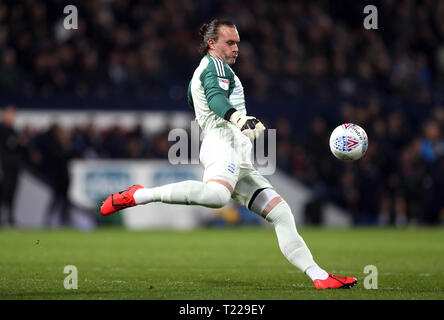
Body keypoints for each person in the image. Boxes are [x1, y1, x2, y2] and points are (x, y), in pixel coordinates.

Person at [100, 19, 357, 289]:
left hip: (238, 153)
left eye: (237, 42)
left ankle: (319, 276)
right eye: (230, 42)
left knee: (281, 212)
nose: (236, 48)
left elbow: (197, 99)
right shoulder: (215, 66)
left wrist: (240, 122)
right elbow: (215, 99)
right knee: (217, 196)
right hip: (223, 144)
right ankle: (140, 194)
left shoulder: (205, 70)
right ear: (212, 44)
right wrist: (238, 120)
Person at [0, 106, 25, 226]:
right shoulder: (2, 129)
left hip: (14, 165)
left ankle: (10, 218)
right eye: (10, 114)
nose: (12, 117)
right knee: (4, 191)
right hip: (4, 165)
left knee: (12, 192)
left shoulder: (13, 130)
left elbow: (19, 146)